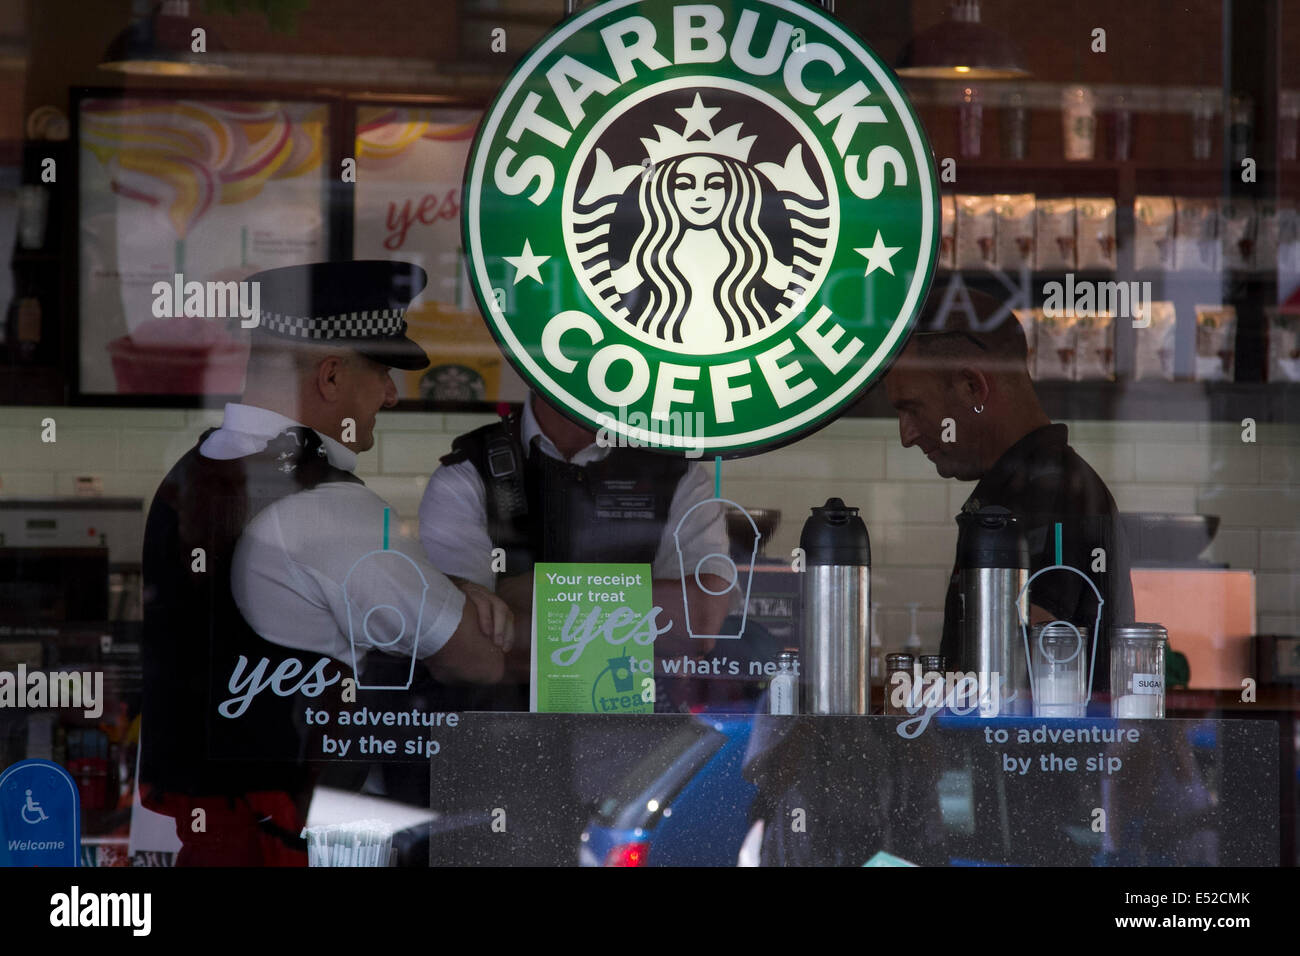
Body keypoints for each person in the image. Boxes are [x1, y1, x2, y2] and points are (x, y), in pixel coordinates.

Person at [140, 260, 512, 866]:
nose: (391, 394)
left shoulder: (194, 468)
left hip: (214, 839)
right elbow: (478, 660)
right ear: (332, 376)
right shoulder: (326, 507)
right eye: (385, 371)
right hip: (294, 843)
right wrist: (470, 600)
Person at [883, 290, 1134, 695]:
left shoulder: (1048, 494)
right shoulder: (1031, 488)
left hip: (1035, 759)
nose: (907, 436)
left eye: (912, 408)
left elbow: (1018, 676)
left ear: (971, 387)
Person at [418, 391, 735, 711]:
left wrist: (529, 593)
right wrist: (636, 623)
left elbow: (699, 620)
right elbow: (466, 644)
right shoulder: (469, 469)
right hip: (498, 725)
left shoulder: (675, 471)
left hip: (632, 727)